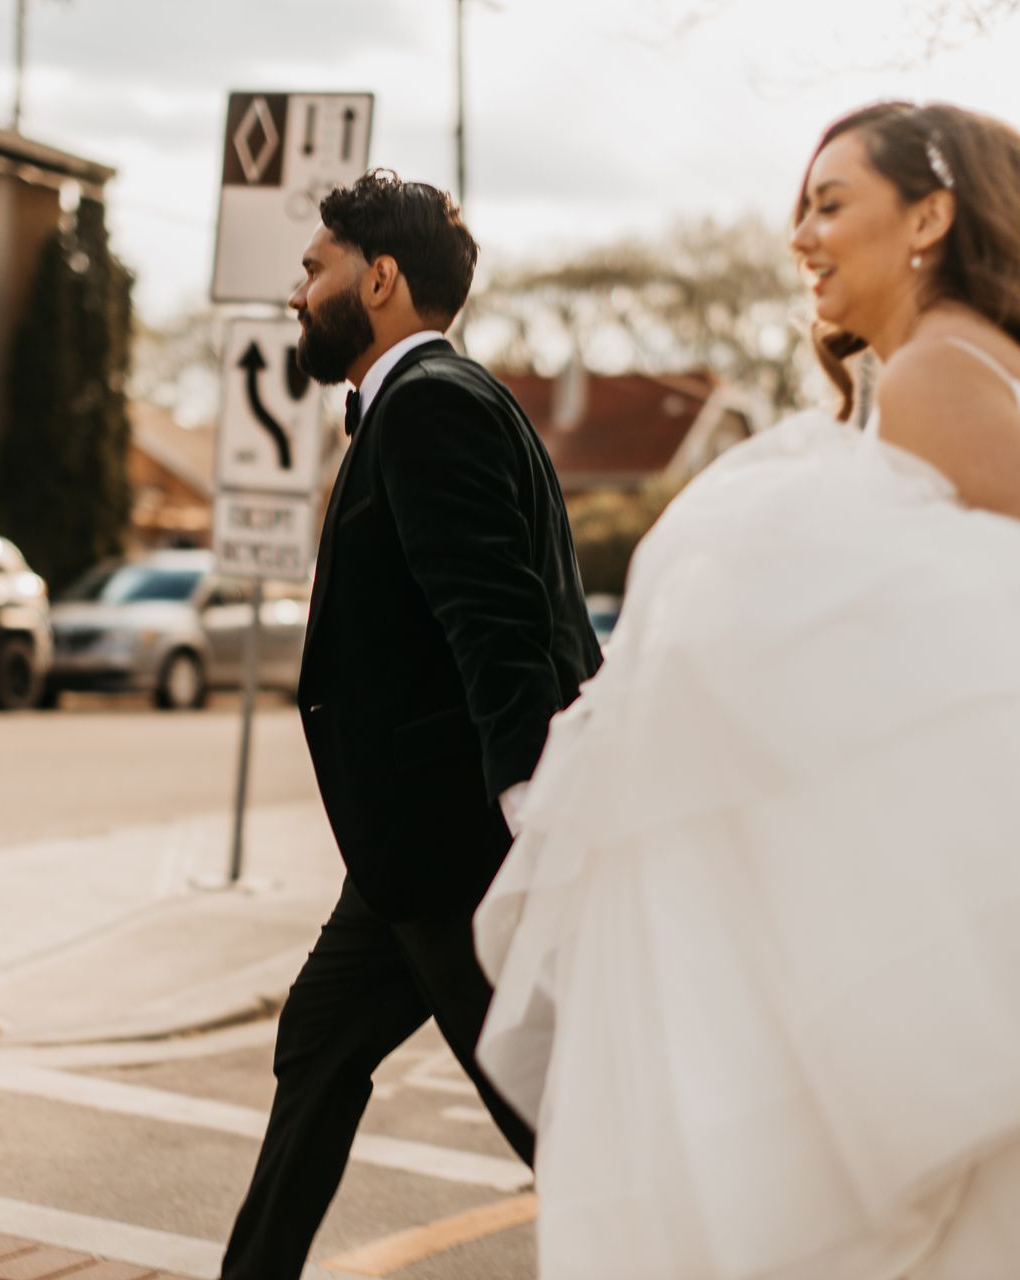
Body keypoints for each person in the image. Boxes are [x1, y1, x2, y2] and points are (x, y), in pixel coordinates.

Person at [475, 101, 1020, 1279]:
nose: (801, 238)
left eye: (831, 205)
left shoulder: (937, 371)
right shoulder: (962, 359)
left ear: (928, 218)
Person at [218, 170, 602, 1278]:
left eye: (315, 268)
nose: (299, 292)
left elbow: (498, 624)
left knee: (556, 1118)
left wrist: (530, 820)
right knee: (317, 1043)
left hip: (460, 852)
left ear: (379, 279)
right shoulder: (432, 399)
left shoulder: (433, 406)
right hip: (409, 853)